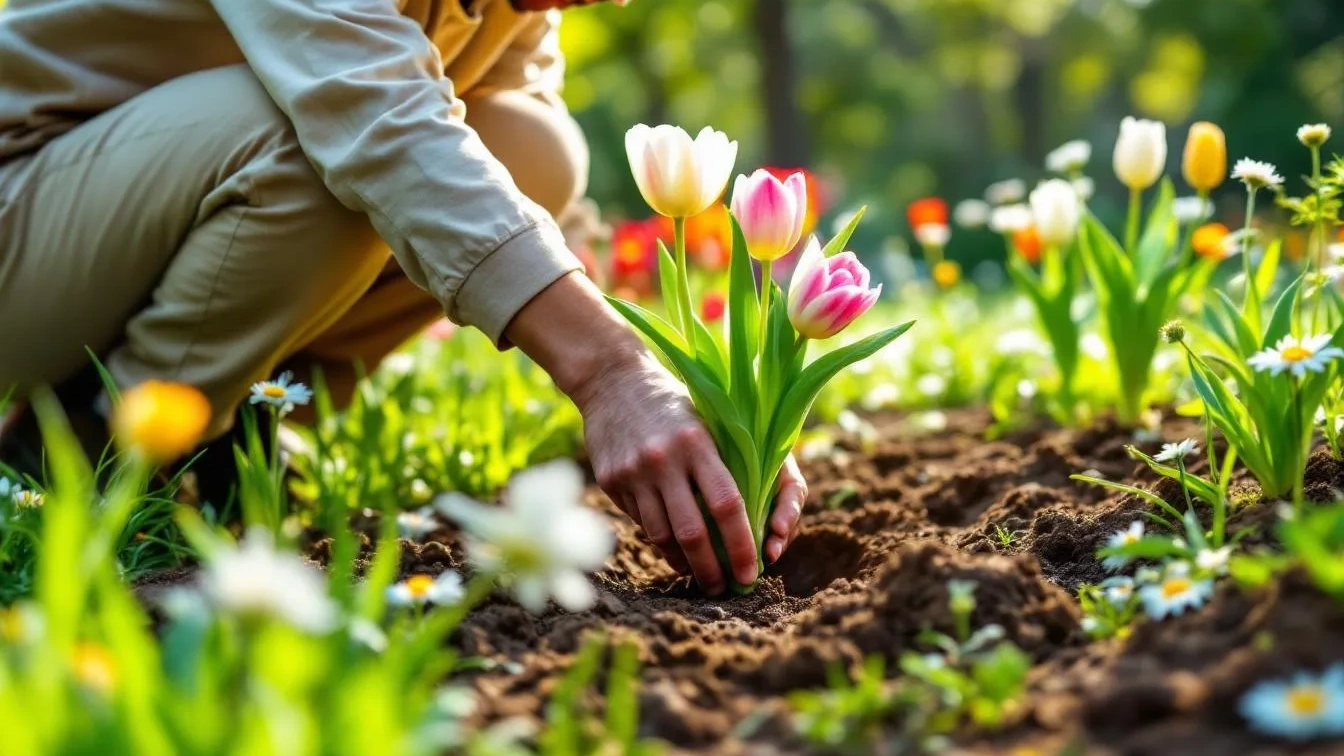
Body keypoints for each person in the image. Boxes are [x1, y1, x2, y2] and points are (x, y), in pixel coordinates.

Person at [0, 0, 807, 595]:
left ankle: (239, 426)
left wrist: (689, 390)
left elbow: (509, 190)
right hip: (25, 211)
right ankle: (88, 453)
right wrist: (607, 374)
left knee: (532, 150)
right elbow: (378, 124)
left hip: (138, 209)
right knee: (320, 147)